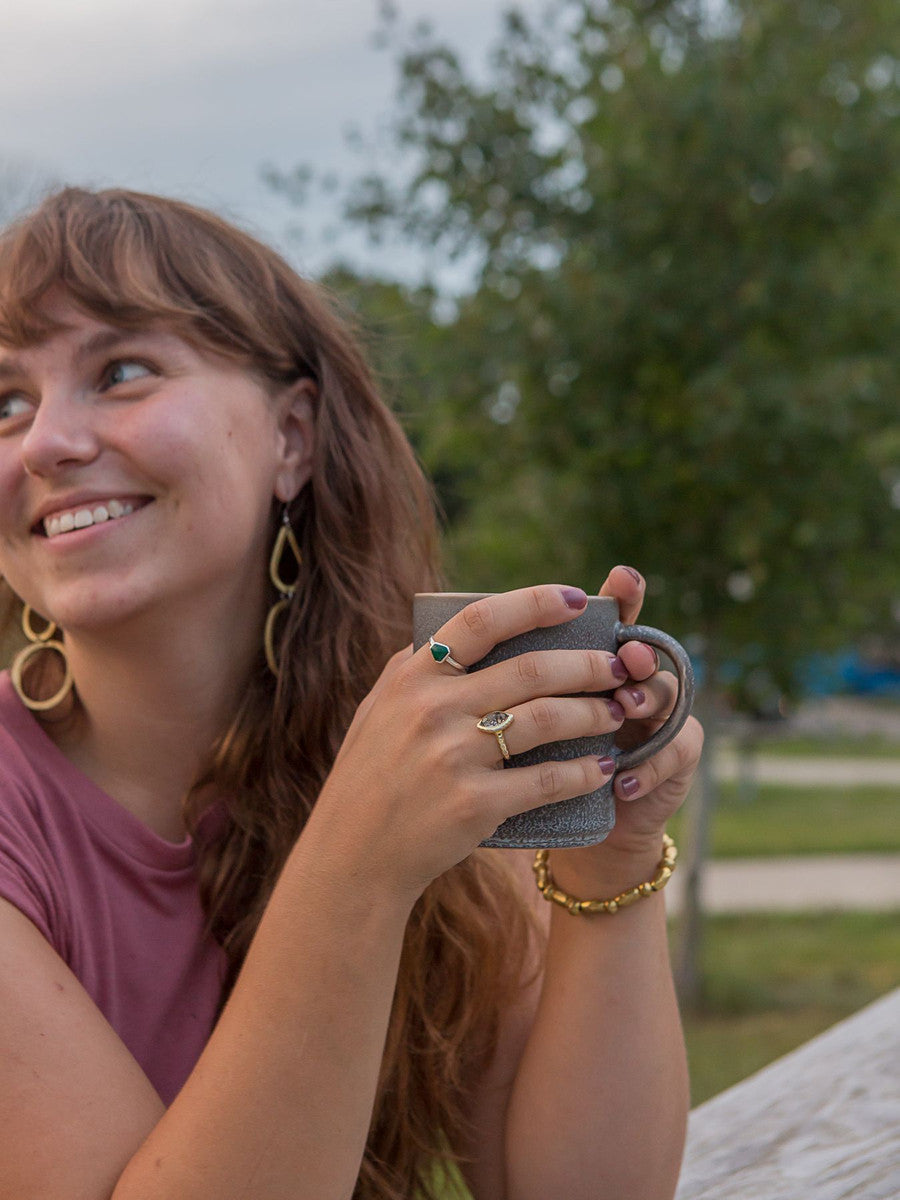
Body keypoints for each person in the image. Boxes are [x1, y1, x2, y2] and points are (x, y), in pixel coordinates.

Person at [0, 187, 703, 1200]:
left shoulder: (411, 744)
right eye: (6, 400)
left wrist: (609, 863)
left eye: (119, 372)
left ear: (292, 436)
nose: (46, 442)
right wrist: (361, 864)